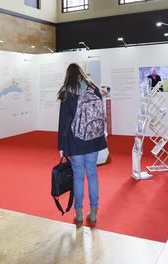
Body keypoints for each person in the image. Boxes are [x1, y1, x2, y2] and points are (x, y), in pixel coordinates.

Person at [58, 63, 108, 226]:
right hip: (93, 140)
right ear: (81, 73)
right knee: (92, 175)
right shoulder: (93, 88)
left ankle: (79, 213)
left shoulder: (68, 91)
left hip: (75, 141)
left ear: (68, 75)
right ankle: (93, 212)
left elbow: (63, 122)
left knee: (78, 177)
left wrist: (61, 146)